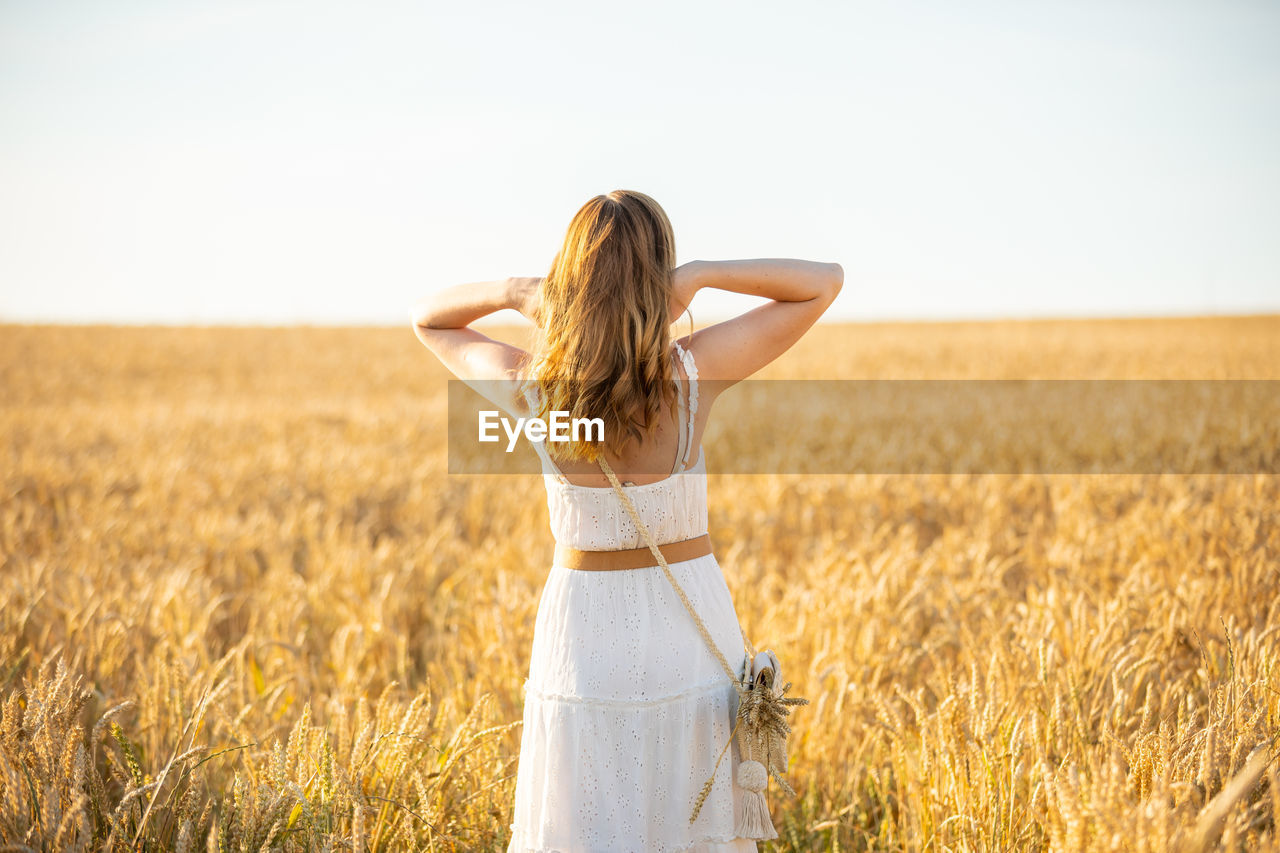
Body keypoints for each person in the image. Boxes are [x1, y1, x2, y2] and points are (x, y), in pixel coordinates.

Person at [411, 190, 842, 852]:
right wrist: (697, 276)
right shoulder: (692, 374)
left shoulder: (532, 387)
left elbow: (429, 321)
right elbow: (821, 284)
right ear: (657, 274)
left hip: (583, 642)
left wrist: (517, 290)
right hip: (689, 635)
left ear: (569, 280)